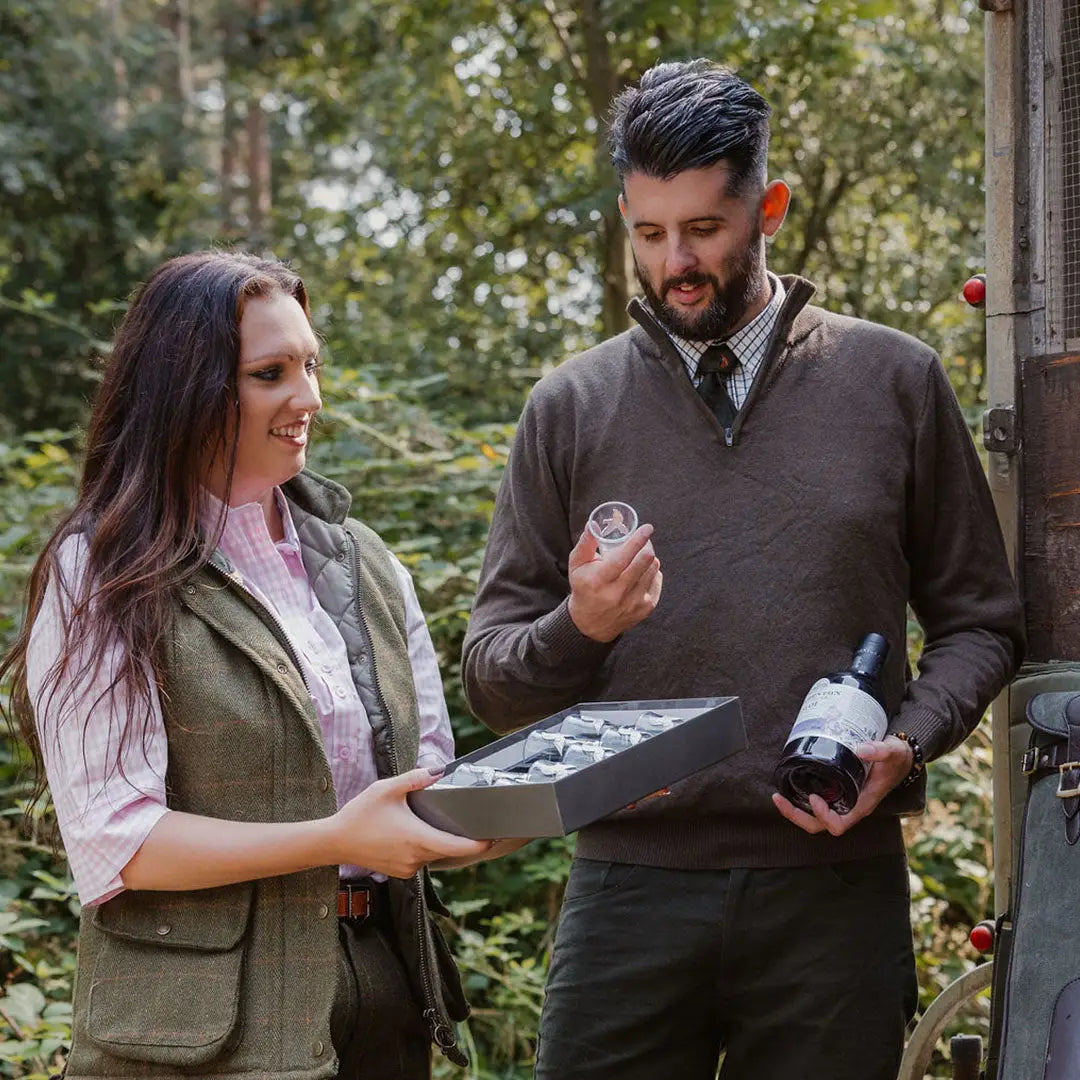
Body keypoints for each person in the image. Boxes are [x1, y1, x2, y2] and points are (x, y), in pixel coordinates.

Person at [461, 60, 1024, 1080]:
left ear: (768, 206)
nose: (674, 262)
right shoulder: (570, 408)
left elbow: (982, 621)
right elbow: (495, 680)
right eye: (647, 234)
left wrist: (907, 741)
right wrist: (578, 628)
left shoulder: (893, 381)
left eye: (704, 231)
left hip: (832, 897)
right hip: (626, 897)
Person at [0, 251, 498, 1080]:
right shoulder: (101, 574)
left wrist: (546, 803)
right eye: (270, 374)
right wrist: (337, 837)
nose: (309, 399)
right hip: (201, 1032)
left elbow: (423, 786)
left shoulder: (366, 564)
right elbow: (117, 842)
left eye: (310, 365)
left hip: (381, 992)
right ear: (182, 390)